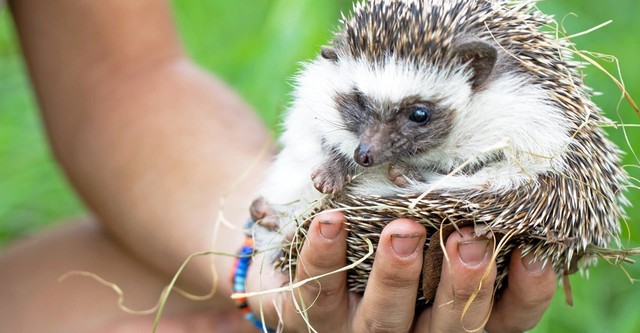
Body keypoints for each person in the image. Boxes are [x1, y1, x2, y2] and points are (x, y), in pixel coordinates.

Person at [0, 1, 556, 332]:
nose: (371, 145)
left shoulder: (514, 114)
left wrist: (258, 265)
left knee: (254, 322)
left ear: (476, 76)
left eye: (415, 115)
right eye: (360, 111)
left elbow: (119, 76)